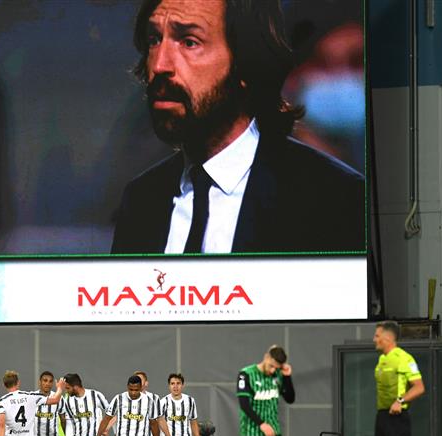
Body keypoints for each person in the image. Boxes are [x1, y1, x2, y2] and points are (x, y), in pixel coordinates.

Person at [111, 0, 364, 254]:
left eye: (189, 42)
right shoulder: (140, 200)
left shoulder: (334, 198)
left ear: (246, 62)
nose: (158, 66)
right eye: (154, 39)